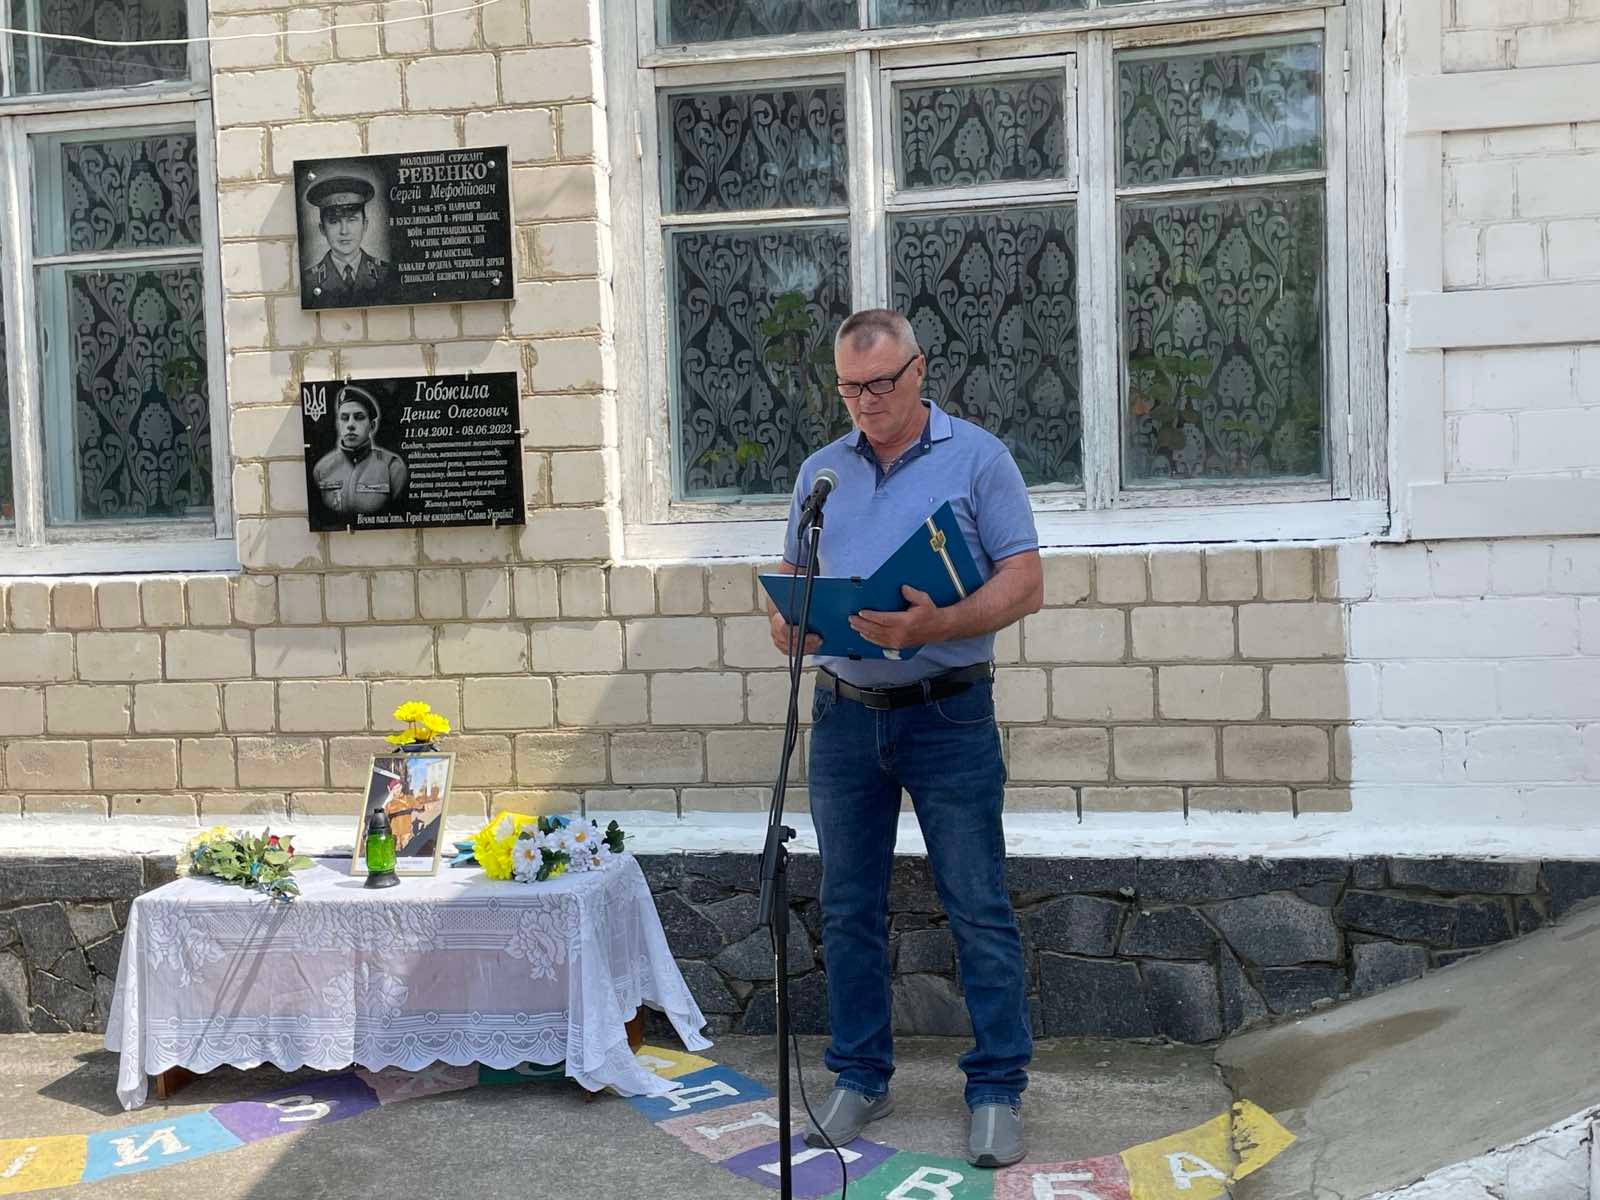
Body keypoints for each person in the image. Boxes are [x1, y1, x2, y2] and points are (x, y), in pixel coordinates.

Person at [767, 308, 1043, 1168]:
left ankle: (996, 1089)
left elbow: (1026, 581)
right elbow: (796, 577)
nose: (867, 402)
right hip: (845, 714)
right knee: (847, 905)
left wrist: (939, 624)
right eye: (850, 388)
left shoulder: (979, 459)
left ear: (920, 370)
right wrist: (789, 621)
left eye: (882, 383)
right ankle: (859, 1075)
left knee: (977, 904)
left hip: (948, 713)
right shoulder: (820, 473)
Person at [312, 384, 408, 518]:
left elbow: (398, 515)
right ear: (338, 425)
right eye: (344, 418)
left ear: (372, 426)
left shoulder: (391, 467)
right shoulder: (322, 468)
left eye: (359, 417)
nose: (350, 425)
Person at [303, 175, 394, 307]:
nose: (344, 231)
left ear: (365, 225)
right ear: (322, 229)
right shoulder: (308, 281)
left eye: (352, 220)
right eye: (334, 222)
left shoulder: (387, 274)